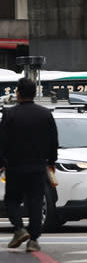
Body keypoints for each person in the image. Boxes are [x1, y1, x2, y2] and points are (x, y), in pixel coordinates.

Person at [0, 78, 58, 252]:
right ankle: (33, 240)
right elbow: (53, 141)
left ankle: (19, 229)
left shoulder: (9, 114)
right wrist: (51, 162)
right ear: (34, 93)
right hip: (38, 166)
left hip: (15, 166)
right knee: (35, 201)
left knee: (11, 200)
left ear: (18, 93)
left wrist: (2, 162)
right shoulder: (45, 114)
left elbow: (2, 141)